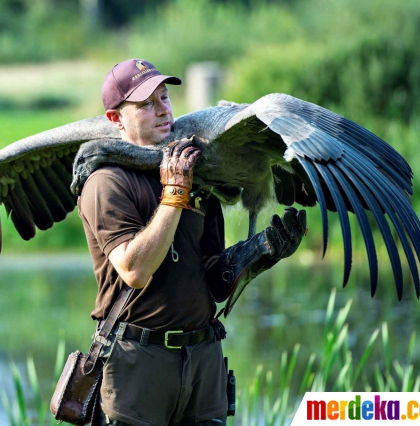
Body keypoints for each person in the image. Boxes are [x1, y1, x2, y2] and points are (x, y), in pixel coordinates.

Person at [77, 59, 307, 426]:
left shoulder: (195, 170)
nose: (163, 109)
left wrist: (258, 254)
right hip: (139, 367)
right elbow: (134, 270)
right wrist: (174, 195)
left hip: (203, 365)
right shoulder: (107, 183)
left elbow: (213, 279)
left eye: (165, 97)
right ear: (116, 118)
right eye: (146, 104)